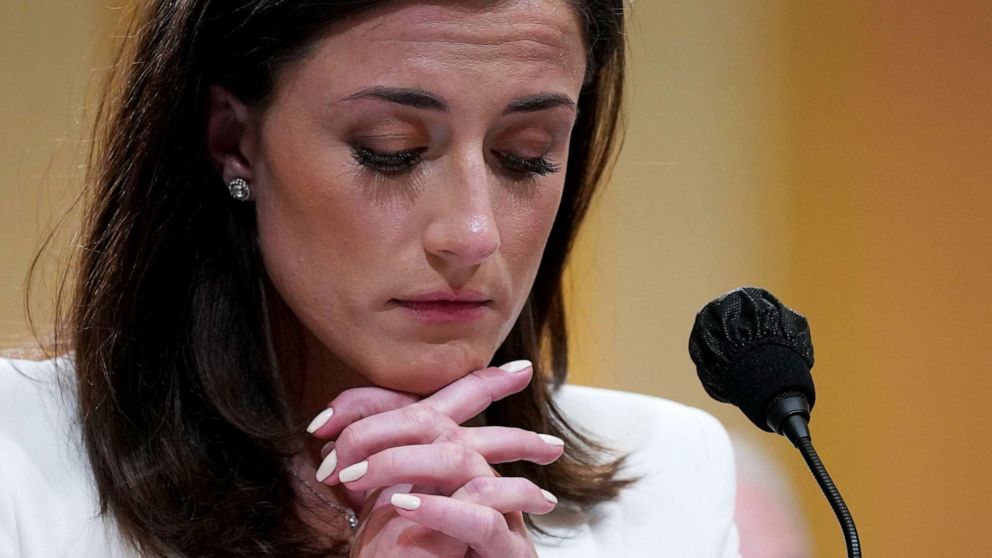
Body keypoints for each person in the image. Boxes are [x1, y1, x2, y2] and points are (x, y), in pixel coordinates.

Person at [0, 1, 740, 556]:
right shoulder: (18, 461)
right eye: (392, 150)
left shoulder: (669, 477)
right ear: (232, 139)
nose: (473, 235)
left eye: (527, 154)